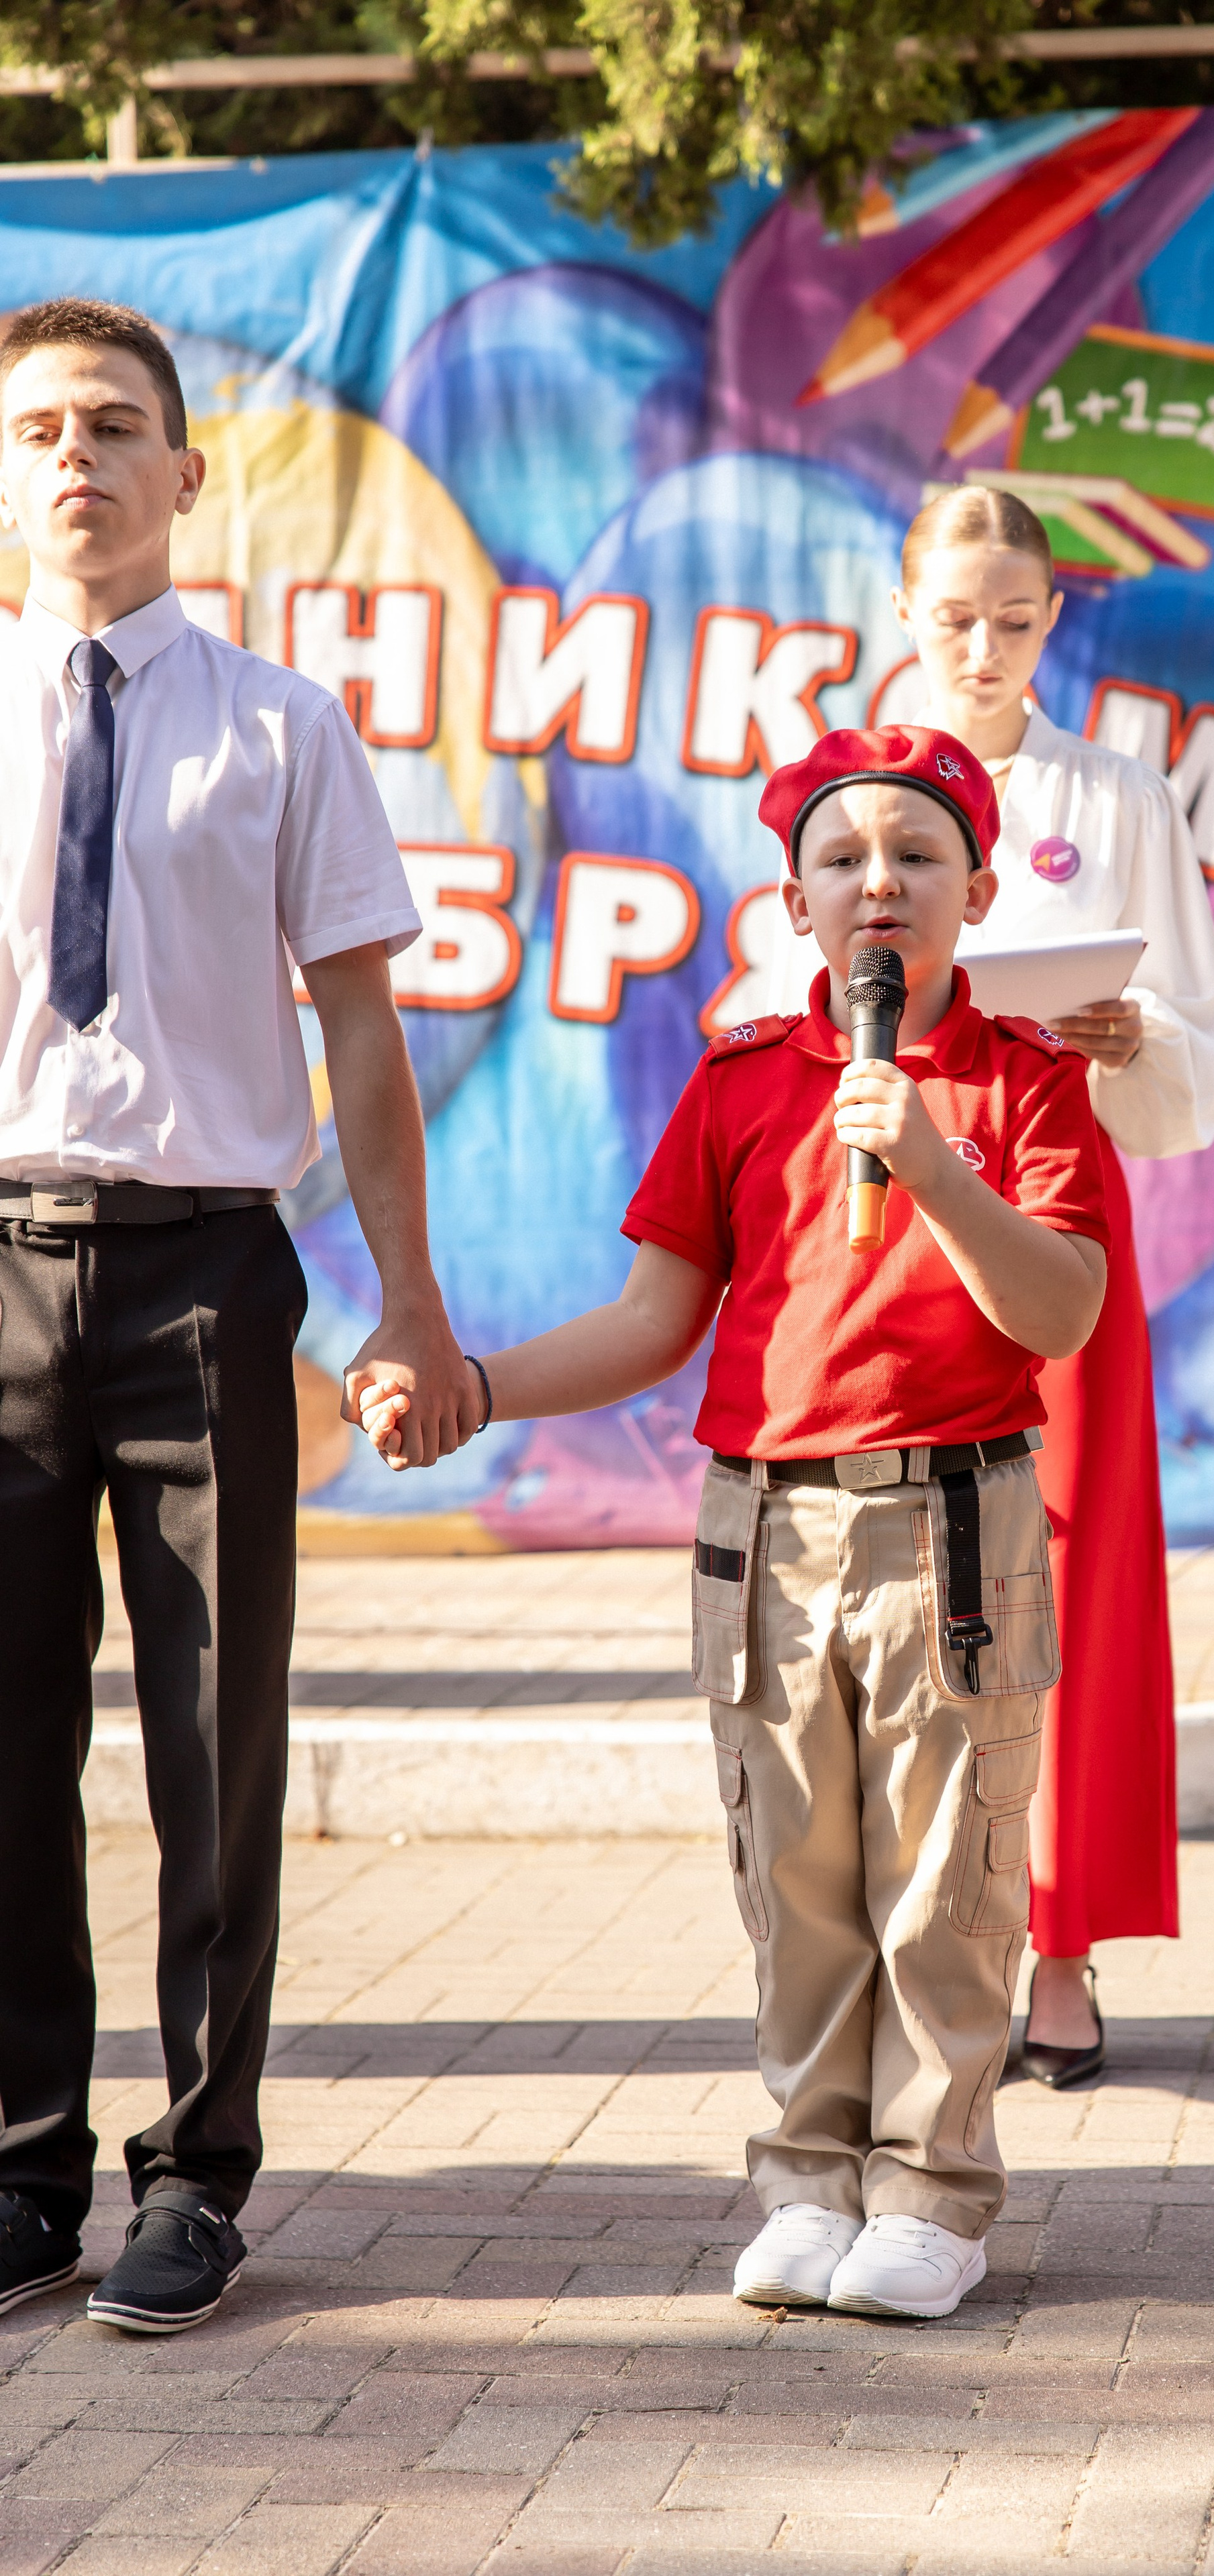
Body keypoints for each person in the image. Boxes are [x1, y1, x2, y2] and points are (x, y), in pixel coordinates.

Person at [362, 725, 1111, 2318]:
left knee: (947, 1879)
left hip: (953, 1520)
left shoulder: (1026, 1079)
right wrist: (474, 1388)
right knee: (797, 1872)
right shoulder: (740, 1085)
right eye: (841, 860)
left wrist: (929, 1163)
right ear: (794, 906)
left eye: (916, 855)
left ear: (977, 893)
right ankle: (809, 2178)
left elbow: (1057, 1311)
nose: (878, 885)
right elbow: (653, 1321)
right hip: (763, 1530)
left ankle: (931, 2190)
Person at [0, 299, 475, 2334]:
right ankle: (21, 2170)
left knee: (215, 1739)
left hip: (207, 1276)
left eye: (116, 425)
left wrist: (410, 1306)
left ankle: (198, 2173)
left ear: (187, 476)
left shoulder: (284, 725)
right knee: (6, 1744)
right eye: (40, 427)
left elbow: (362, 1034)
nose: (76, 456)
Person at [774, 488, 1214, 2083]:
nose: (982, 647)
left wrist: (1127, 1036)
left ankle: (1059, 1941)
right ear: (902, 612)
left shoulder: (1115, 793)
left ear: (1053, 619)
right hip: (878, 1208)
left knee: (1066, 1569)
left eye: (1015, 620)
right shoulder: (843, 786)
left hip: (1043, 1205)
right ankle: (902, 1934)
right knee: (889, 1580)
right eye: (955, 617)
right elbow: (779, 995)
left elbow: (1190, 1041)